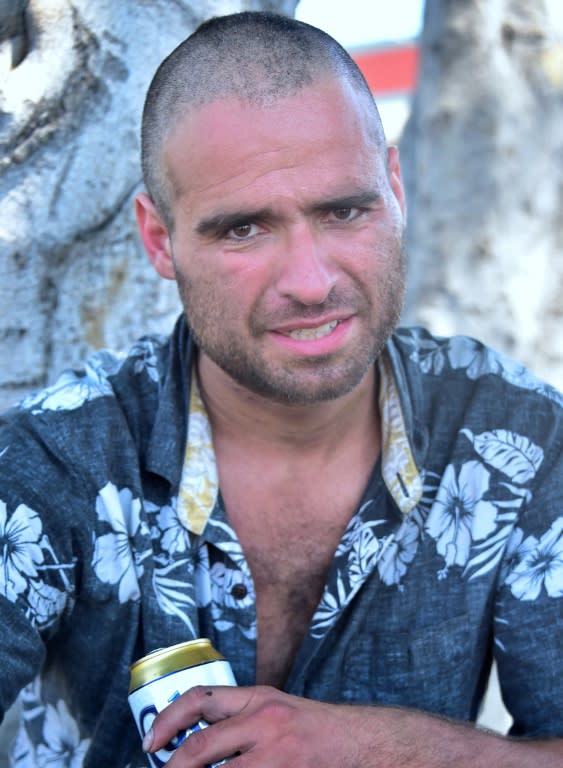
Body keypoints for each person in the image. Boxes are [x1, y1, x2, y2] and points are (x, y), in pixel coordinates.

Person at [0, 10, 561, 768]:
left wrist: (379, 747)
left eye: (343, 210)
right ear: (159, 240)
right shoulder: (55, 460)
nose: (310, 282)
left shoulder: (513, 440)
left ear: (393, 188)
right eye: (242, 230)